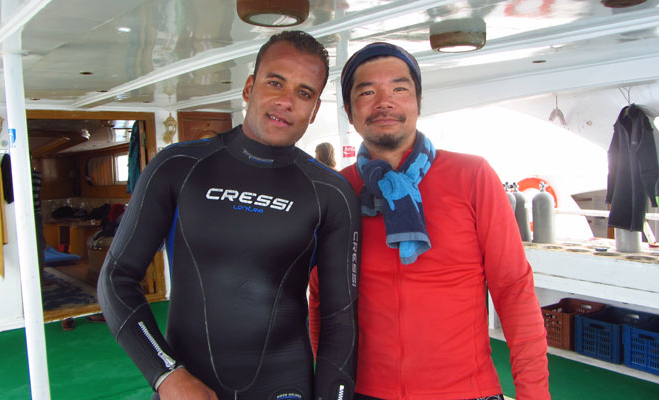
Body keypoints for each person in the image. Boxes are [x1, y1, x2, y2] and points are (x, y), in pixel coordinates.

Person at [98, 30, 360, 400]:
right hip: (185, 389)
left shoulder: (331, 193)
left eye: (304, 93)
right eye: (275, 83)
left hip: (284, 387)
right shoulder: (178, 167)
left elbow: (340, 319)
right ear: (249, 88)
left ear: (315, 109)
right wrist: (166, 375)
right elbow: (116, 277)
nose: (286, 101)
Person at [309, 42, 550, 400]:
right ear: (349, 111)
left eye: (399, 89)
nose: (384, 102)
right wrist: (329, 384)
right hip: (364, 391)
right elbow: (320, 299)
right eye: (367, 92)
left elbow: (513, 289)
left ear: (419, 102)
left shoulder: (472, 176)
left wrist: (534, 394)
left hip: (467, 392)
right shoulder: (337, 190)